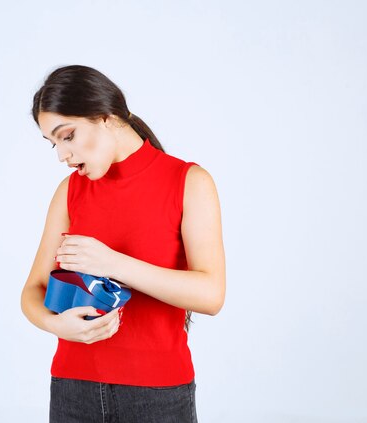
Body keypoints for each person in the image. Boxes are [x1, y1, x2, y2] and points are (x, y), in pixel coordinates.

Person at [21, 64, 225, 423]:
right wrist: (57, 326)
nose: (61, 155)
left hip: (158, 396)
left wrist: (113, 264)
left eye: (67, 136)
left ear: (104, 116)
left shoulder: (189, 181)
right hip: (72, 388)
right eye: (53, 143)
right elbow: (33, 291)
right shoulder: (70, 191)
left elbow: (211, 295)